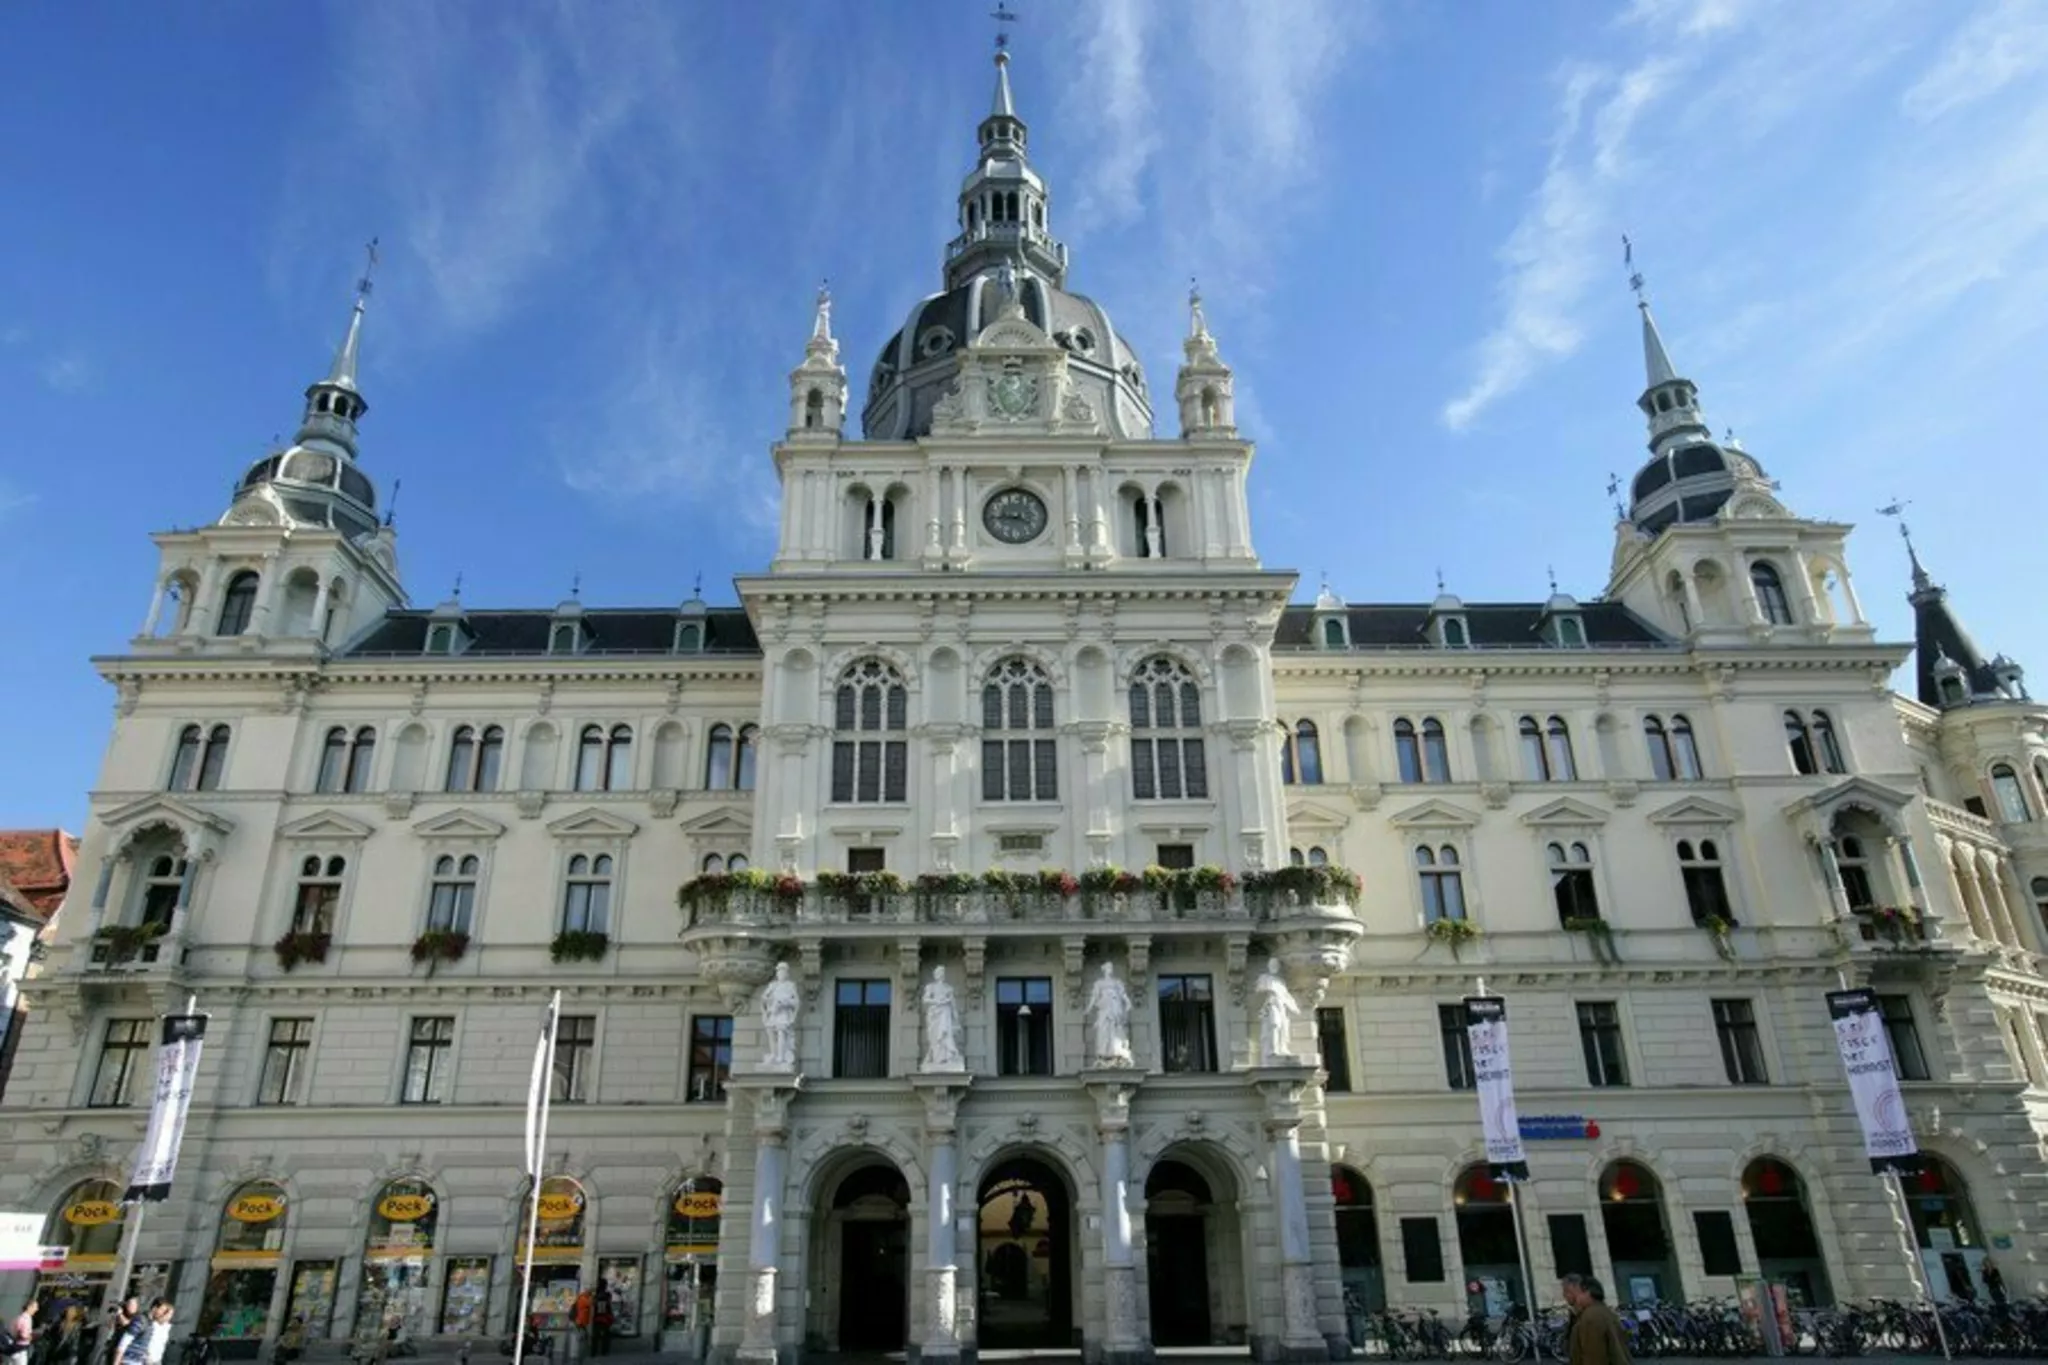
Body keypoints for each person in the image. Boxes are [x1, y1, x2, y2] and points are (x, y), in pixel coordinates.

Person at [1561, 1275, 1629, 1365]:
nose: (1565, 1295)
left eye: (1579, 1293)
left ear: (1587, 1293)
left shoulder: (1591, 1317)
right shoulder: (1603, 1312)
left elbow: (1593, 1356)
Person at [7, 1299, 37, 1365]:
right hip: (20, 1350)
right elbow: (23, 1335)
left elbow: (12, 1330)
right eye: (35, 1307)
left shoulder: (20, 1316)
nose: (36, 1309)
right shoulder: (26, 1319)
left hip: (15, 1348)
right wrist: (31, 1337)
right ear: (29, 1307)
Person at [590, 1282, 612, 1358]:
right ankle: (604, 1351)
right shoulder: (607, 1295)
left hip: (597, 1317)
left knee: (595, 1336)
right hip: (605, 1317)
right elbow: (608, 1306)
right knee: (606, 1335)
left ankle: (593, 1352)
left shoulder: (596, 1296)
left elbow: (593, 1306)